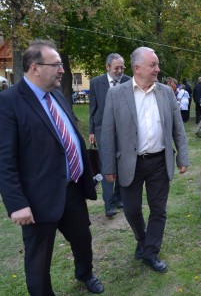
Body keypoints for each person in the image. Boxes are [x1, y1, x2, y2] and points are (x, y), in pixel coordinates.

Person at [0, 40, 104, 294]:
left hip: (71, 190)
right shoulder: (9, 101)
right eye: (56, 64)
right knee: (39, 258)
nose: (62, 70)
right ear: (35, 67)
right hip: (37, 199)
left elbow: (66, 136)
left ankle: (85, 273)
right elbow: (4, 160)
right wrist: (17, 204)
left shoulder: (56, 94)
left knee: (83, 239)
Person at [101, 46, 189, 273]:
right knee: (131, 209)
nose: (158, 69)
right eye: (153, 65)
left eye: (157, 65)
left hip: (160, 161)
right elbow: (108, 134)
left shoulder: (166, 92)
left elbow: (178, 128)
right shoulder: (116, 94)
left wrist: (183, 157)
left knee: (158, 210)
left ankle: (150, 252)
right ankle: (143, 239)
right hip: (131, 163)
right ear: (137, 68)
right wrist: (109, 166)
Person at [89, 53, 131, 217]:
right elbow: (93, 108)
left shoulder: (128, 81)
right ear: (107, 67)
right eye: (116, 68)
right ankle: (109, 204)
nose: (120, 71)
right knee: (106, 164)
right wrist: (92, 130)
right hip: (102, 130)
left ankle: (119, 198)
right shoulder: (96, 82)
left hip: (123, 129)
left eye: (122, 67)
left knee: (122, 163)